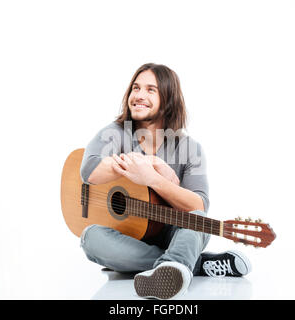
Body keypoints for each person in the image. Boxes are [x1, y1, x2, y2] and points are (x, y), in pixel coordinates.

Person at [79, 63, 251, 299]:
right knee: (90, 238)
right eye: (136, 88)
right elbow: (89, 171)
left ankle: (175, 264)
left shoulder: (190, 148)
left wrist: (154, 180)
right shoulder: (115, 132)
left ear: (168, 99)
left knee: (197, 221)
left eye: (151, 90)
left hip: (173, 232)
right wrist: (147, 161)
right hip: (127, 234)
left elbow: (199, 206)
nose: (139, 96)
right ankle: (189, 263)